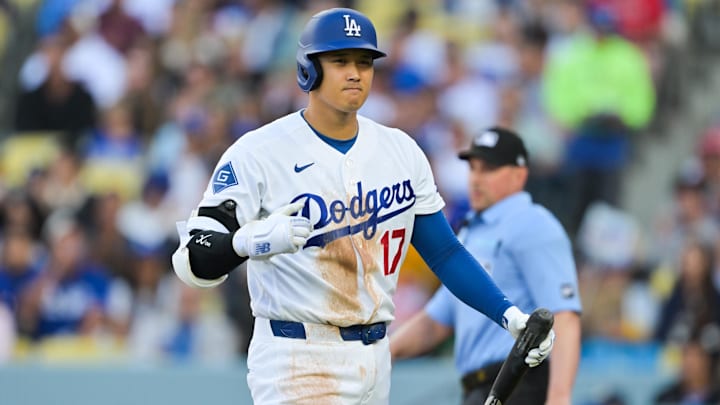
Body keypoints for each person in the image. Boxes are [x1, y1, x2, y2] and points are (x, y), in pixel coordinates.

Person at [171, 8, 554, 404]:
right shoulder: (259, 152)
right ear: (309, 69)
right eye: (339, 61)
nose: (355, 72)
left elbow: (444, 252)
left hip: (374, 355)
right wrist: (247, 242)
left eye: (364, 62)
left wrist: (510, 317)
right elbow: (191, 261)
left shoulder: (400, 150)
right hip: (297, 355)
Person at [390, 127, 582, 405]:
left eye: (489, 169)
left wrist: (559, 397)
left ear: (519, 174)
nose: (476, 179)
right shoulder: (471, 232)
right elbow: (436, 321)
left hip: (520, 385)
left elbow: (564, 316)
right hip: (479, 390)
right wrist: (386, 351)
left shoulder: (533, 224)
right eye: (473, 169)